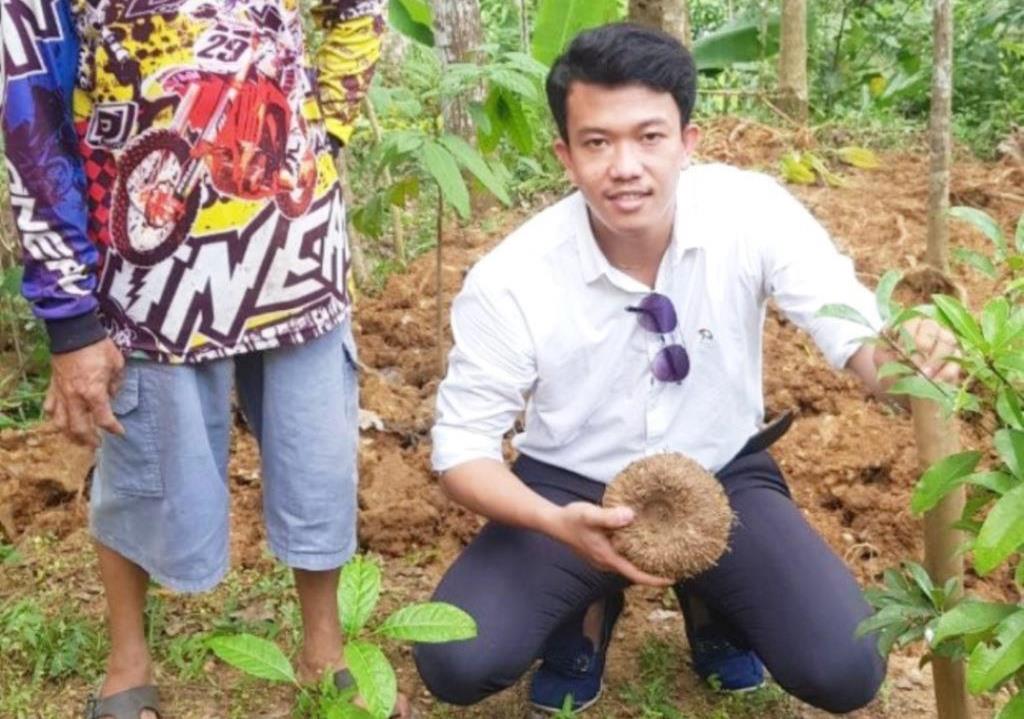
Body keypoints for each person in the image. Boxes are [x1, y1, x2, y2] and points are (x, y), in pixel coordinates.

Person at [413, 23, 959, 715]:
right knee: (459, 660)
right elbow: (462, 453)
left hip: (721, 471)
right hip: (569, 483)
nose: (626, 166)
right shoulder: (513, 276)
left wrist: (910, 356)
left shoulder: (753, 212)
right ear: (566, 155)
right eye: (597, 142)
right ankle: (590, 602)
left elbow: (854, 338)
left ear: (688, 141)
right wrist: (560, 524)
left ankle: (708, 593)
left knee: (845, 668)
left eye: (650, 136)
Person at [1, 1, 409, 717]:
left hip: (294, 250)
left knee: (317, 455)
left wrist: (326, 135)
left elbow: (357, 11)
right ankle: (128, 661)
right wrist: (69, 320)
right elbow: (31, 120)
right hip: (146, 265)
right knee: (141, 461)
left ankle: (326, 651)